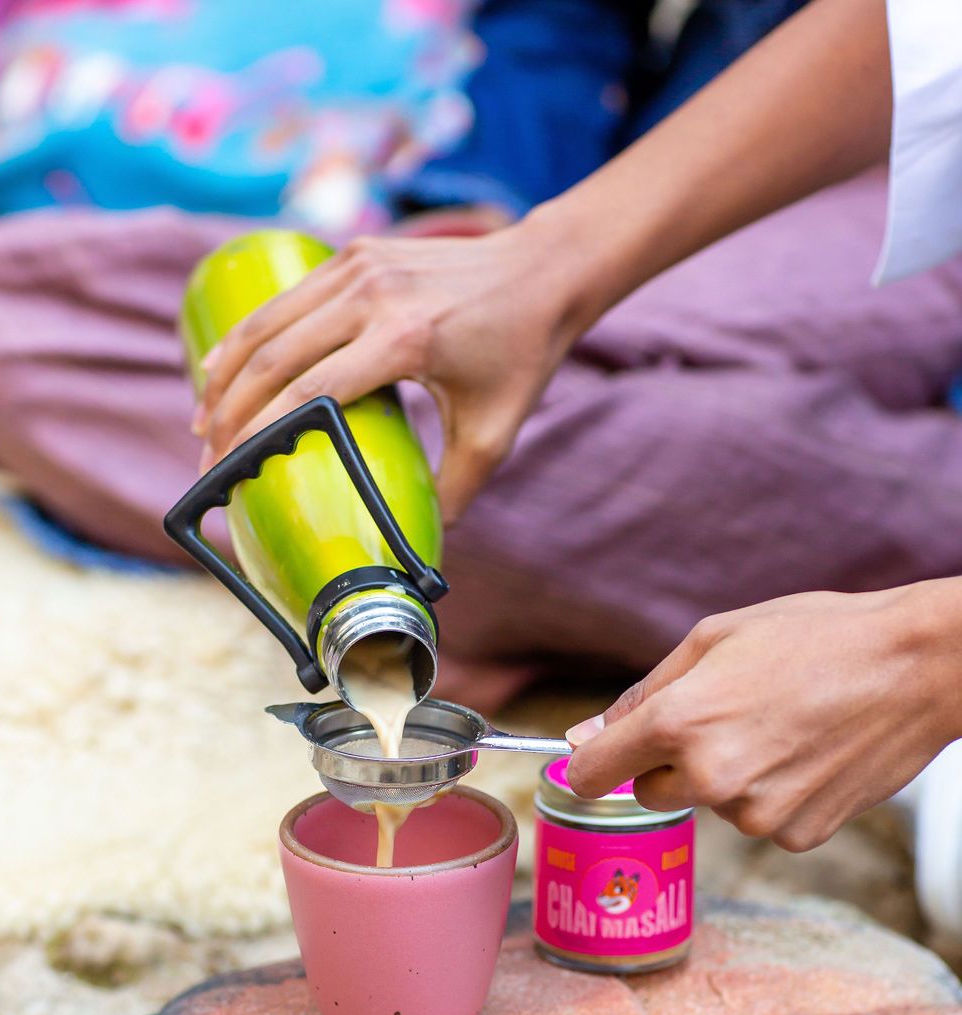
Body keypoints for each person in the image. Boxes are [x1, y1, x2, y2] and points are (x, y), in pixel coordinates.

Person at [195, 0, 962, 862]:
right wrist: (522, 246)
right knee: (37, 310)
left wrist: (932, 655)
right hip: (703, 197)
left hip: (873, 238)